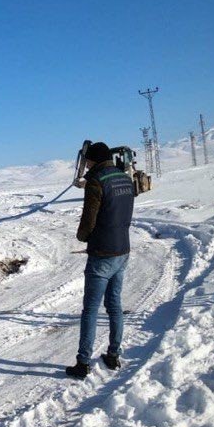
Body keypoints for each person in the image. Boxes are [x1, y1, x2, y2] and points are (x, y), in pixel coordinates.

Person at [66, 141, 134, 380]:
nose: (85, 165)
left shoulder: (96, 182)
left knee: (91, 309)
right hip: (122, 249)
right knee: (114, 305)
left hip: (102, 253)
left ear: (93, 160)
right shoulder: (125, 179)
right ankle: (113, 355)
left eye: (87, 162)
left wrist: (82, 236)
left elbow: (89, 219)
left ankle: (83, 362)